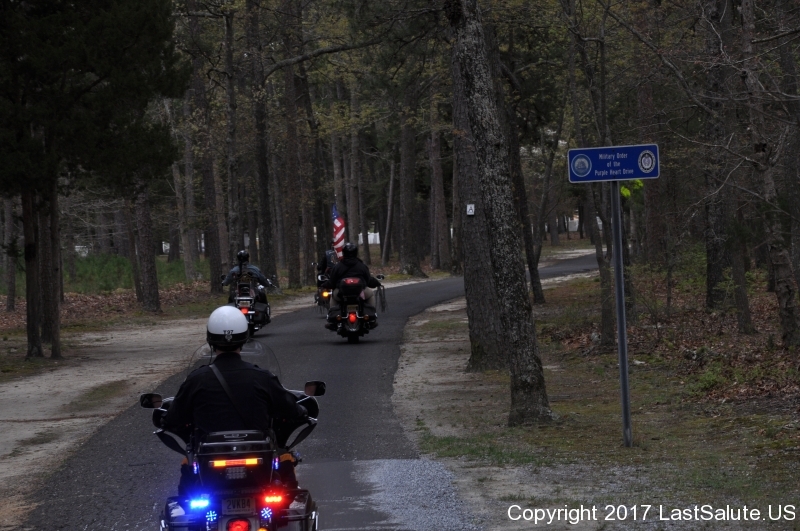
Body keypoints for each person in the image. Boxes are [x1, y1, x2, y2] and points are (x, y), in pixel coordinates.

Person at [162, 306, 307, 493]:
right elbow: (291, 410)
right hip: (260, 465)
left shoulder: (196, 380)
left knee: (187, 489)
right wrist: (302, 411)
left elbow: (174, 418)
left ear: (210, 339)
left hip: (210, 467)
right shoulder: (262, 377)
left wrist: (166, 418)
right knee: (288, 484)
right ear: (244, 338)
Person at [322, 242, 379, 328]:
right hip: (360, 293)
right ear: (356, 252)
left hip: (341, 294)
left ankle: (332, 320)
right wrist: (376, 283)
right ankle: (372, 318)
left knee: (333, 296)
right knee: (371, 294)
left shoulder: (338, 266)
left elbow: (332, 282)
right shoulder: (362, 266)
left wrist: (324, 285)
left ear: (343, 252)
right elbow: (368, 280)